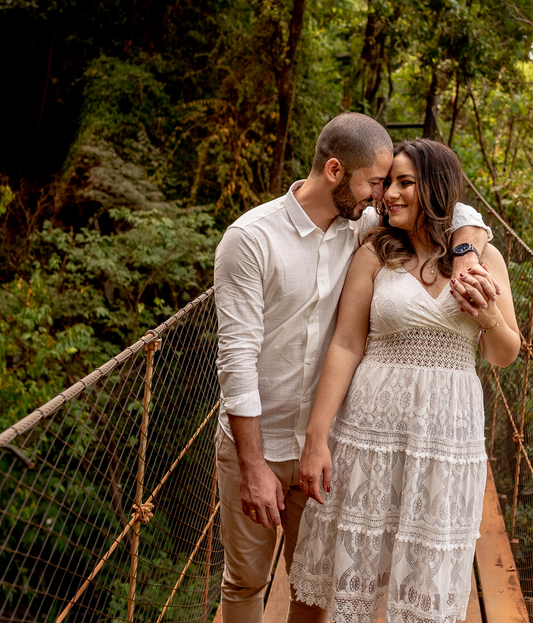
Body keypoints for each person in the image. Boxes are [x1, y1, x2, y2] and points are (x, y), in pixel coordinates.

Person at [213, 114, 499, 623]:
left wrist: (464, 251)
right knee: (245, 582)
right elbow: (235, 361)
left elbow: (451, 204)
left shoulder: (365, 225)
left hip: (328, 443)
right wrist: (253, 466)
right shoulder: (250, 239)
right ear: (334, 171)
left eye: (393, 184)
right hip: (256, 440)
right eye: (376, 182)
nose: (383, 195)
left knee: (314, 589)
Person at [288, 138, 519, 623]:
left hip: (444, 438)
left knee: (421, 583)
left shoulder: (484, 261)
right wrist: (317, 439)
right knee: (331, 573)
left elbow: (504, 355)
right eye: (387, 182)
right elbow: (347, 345)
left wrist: (490, 316)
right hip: (369, 433)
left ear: (434, 188)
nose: (388, 193)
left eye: (404, 182)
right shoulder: (375, 252)